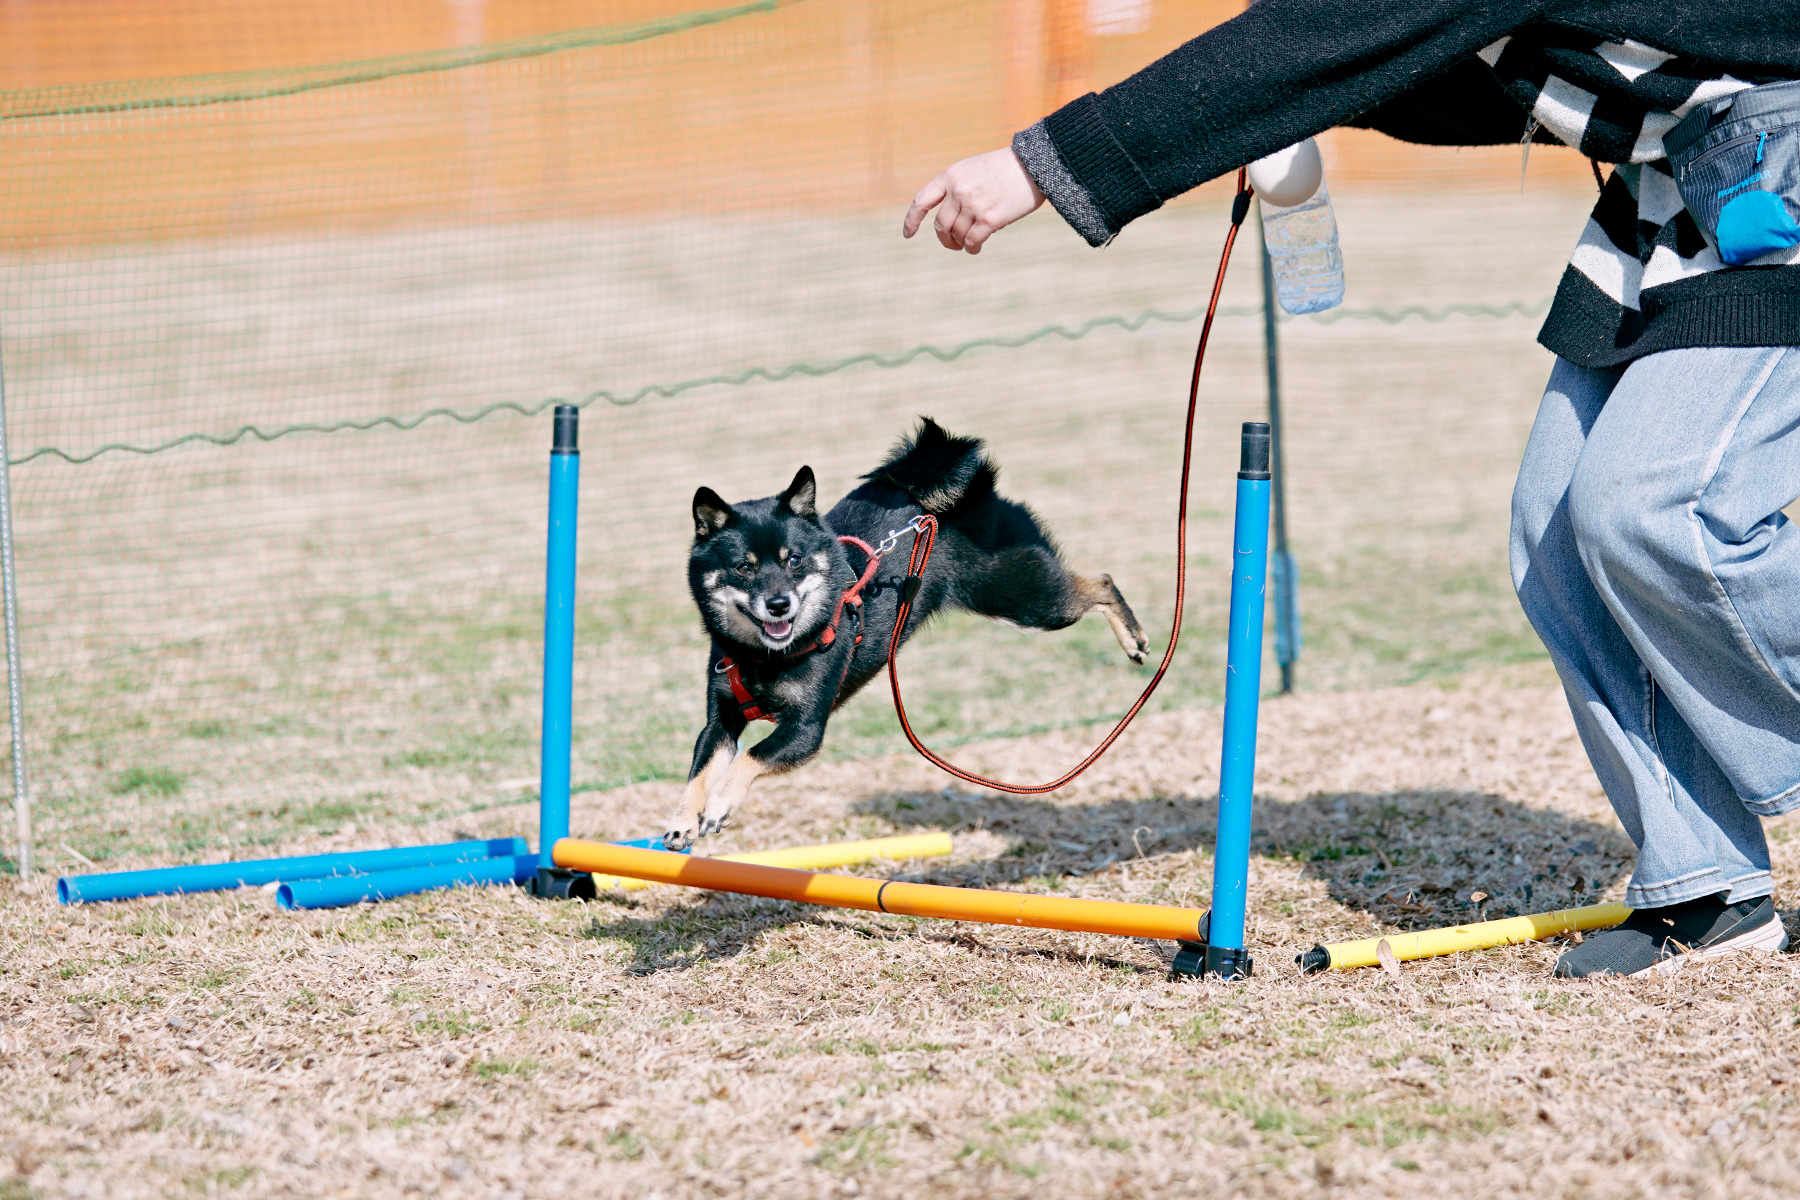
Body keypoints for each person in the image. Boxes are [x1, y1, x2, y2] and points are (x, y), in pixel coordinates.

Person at [902, 0, 1800, 978]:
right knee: (1557, 522)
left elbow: (1328, 29)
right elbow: (1430, 60)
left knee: (1655, 504)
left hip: (1778, 154)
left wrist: (1041, 165)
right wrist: (1316, 96)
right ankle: (1706, 886)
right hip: (1687, 185)